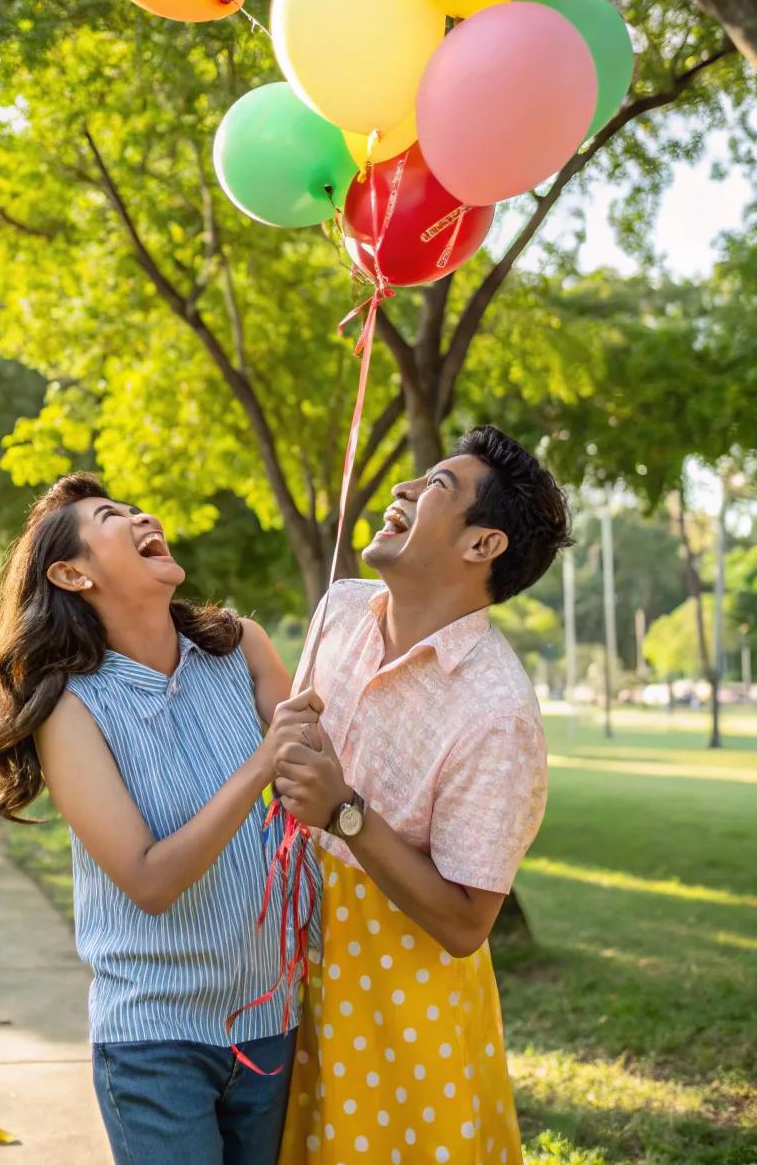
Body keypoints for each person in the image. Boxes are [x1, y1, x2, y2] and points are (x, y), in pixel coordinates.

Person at [0, 472, 321, 1165]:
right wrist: (257, 768)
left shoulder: (240, 646)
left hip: (273, 1021)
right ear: (72, 573)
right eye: (110, 517)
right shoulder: (72, 712)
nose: (141, 517)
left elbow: (316, 777)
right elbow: (148, 880)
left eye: (135, 508)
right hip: (156, 1041)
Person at [274, 425, 573, 1165]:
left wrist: (345, 812)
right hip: (282, 963)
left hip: (401, 1008)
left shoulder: (498, 711)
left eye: (437, 485)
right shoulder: (339, 609)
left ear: (483, 545)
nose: (403, 490)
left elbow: (468, 923)